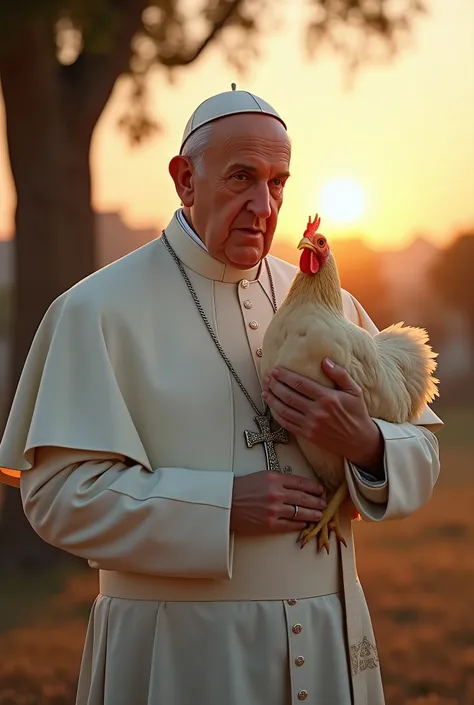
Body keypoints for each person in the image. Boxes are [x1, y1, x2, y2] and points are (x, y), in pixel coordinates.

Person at [0, 86, 443, 705]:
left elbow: (424, 452)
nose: (264, 204)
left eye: (279, 182)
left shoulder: (333, 305)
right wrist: (221, 506)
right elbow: (54, 497)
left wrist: (365, 443)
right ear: (184, 179)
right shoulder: (98, 310)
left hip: (324, 636)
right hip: (181, 656)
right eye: (241, 177)